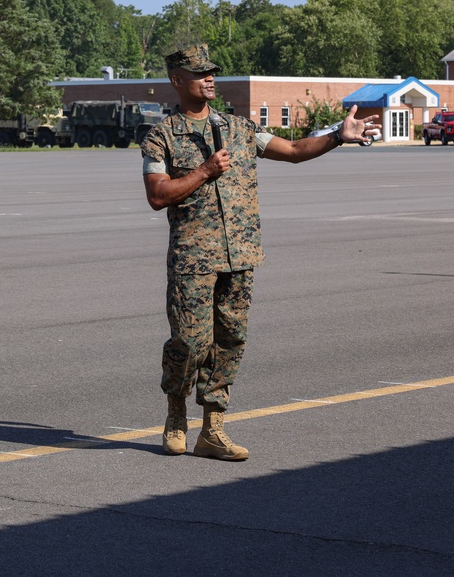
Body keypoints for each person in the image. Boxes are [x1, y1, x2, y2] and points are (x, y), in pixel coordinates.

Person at [140, 44, 379, 461]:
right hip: (193, 259)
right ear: (177, 80)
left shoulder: (240, 129)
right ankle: (176, 412)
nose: (209, 78)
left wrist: (337, 137)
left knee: (230, 340)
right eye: (199, 74)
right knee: (191, 343)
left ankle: (213, 428)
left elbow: (292, 152)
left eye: (212, 71)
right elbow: (158, 195)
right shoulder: (161, 137)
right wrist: (205, 171)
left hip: (241, 256)